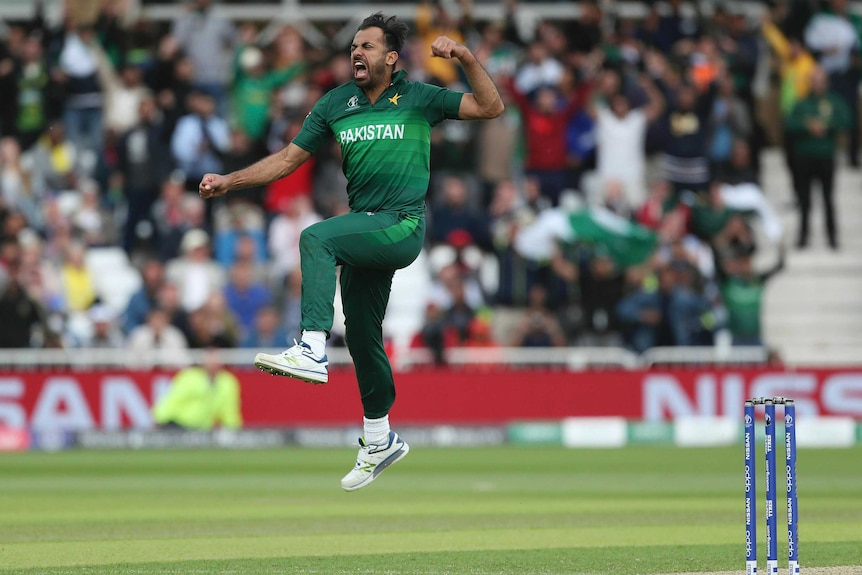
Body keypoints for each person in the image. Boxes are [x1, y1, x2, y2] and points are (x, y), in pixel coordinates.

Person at [199, 13, 503, 491]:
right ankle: (379, 438)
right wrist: (230, 181)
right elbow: (286, 160)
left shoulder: (420, 97)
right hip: (366, 228)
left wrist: (464, 56)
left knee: (315, 236)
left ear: (391, 56)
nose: (356, 53)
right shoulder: (336, 103)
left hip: (401, 225)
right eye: (352, 48)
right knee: (362, 336)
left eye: (366, 46)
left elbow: (491, 107)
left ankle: (312, 348)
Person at [152, 348, 243, 430]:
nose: (213, 364)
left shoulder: (227, 383)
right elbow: (172, 400)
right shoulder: (189, 377)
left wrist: (234, 431)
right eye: (211, 360)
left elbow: (229, 412)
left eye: (216, 361)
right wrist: (160, 419)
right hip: (178, 425)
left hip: (202, 429)